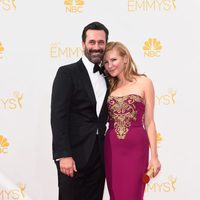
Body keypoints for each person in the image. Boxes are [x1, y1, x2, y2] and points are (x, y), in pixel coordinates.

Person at [50, 22, 109, 200]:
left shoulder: (110, 75)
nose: (96, 47)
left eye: (101, 42)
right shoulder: (67, 73)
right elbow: (58, 116)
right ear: (83, 44)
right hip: (73, 155)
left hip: (100, 156)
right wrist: (63, 154)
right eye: (92, 42)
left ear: (106, 44)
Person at [103, 41, 161, 200]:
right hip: (112, 148)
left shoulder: (144, 82)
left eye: (114, 60)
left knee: (133, 195)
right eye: (106, 62)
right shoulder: (107, 86)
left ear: (125, 58)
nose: (110, 65)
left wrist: (154, 157)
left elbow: (149, 122)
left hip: (136, 149)